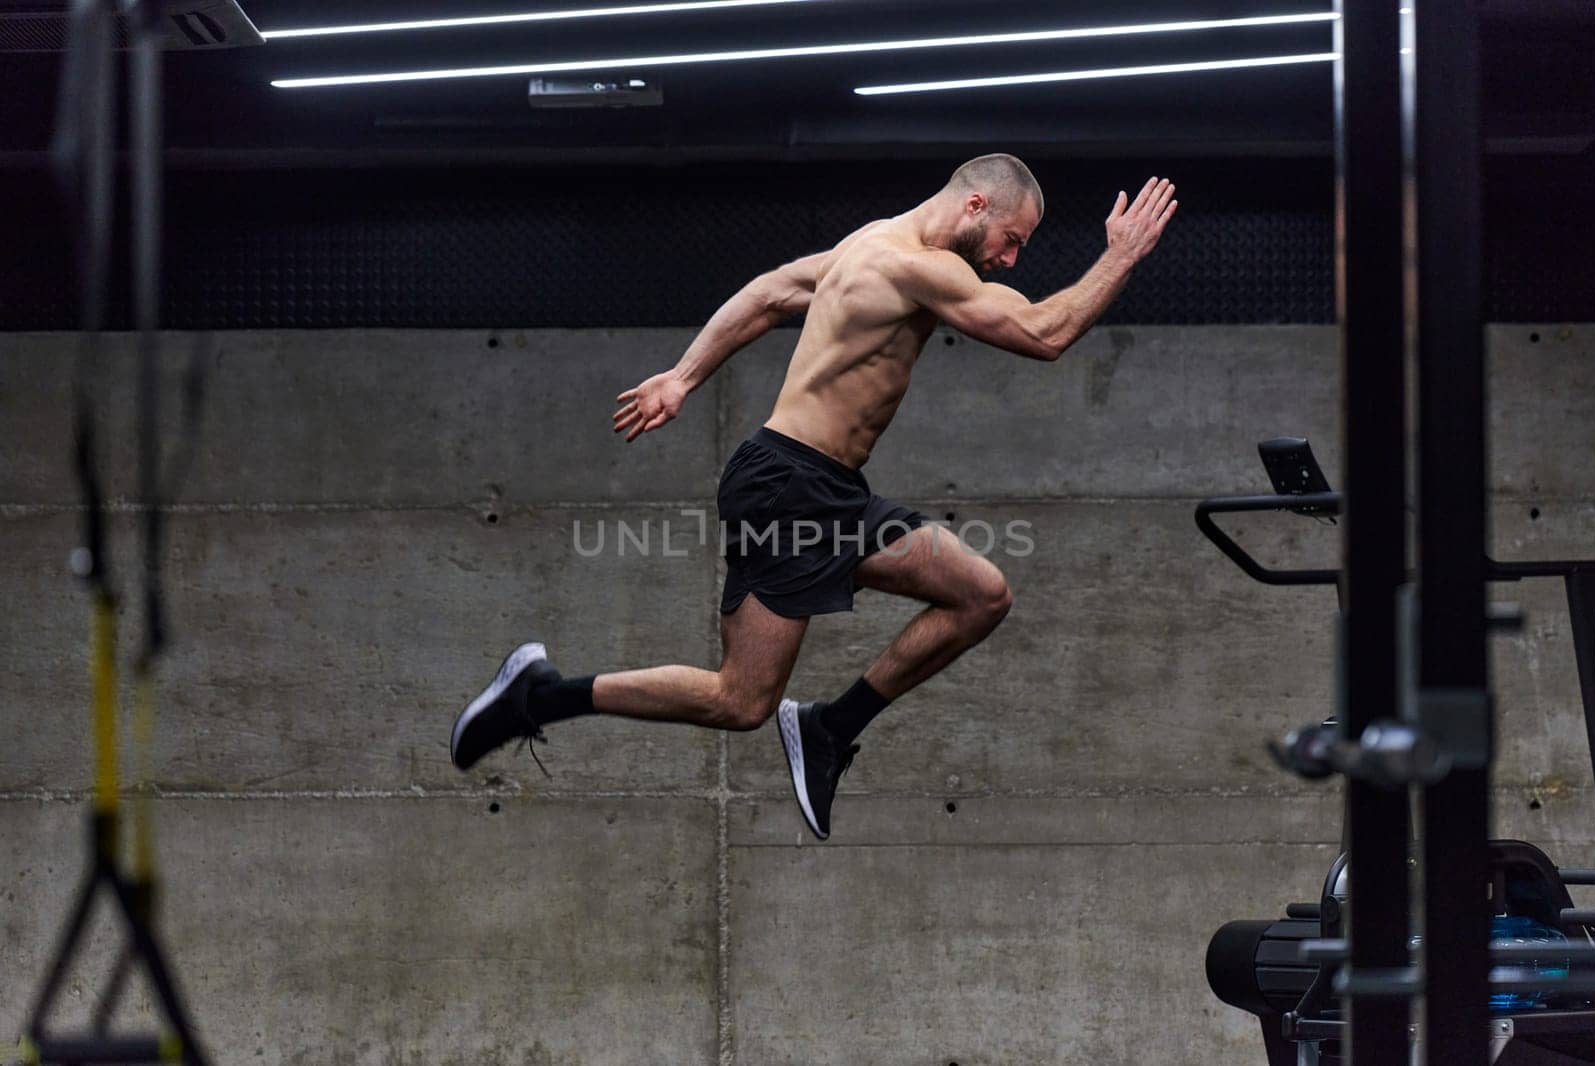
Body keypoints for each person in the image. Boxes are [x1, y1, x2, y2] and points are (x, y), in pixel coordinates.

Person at [450, 154, 1178, 840]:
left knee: (981, 594)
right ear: (976, 204)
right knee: (741, 701)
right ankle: (540, 695)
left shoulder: (867, 245)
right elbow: (1043, 333)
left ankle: (831, 727)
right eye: (1011, 240)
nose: (1011, 259)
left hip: (829, 490)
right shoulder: (914, 265)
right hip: (787, 490)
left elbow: (769, 293)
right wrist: (1121, 257)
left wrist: (683, 375)